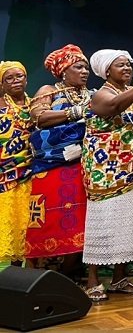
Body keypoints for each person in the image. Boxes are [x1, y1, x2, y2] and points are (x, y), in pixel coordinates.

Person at [81, 49, 133, 301]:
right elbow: (111, 108)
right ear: (107, 71)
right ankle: (93, 280)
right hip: (106, 173)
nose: (127, 68)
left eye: (129, 64)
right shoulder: (100, 94)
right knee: (103, 225)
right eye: (120, 65)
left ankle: (119, 277)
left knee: (128, 226)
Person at [26, 46, 90, 277]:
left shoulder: (91, 95)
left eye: (86, 68)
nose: (84, 72)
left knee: (76, 219)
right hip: (50, 167)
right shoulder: (49, 91)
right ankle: (37, 272)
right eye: (78, 67)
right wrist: (75, 113)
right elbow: (39, 118)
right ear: (63, 71)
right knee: (48, 218)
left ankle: (70, 270)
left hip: (81, 166)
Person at [0, 61, 34, 266]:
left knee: (28, 221)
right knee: (9, 218)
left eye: (19, 76)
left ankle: (22, 274)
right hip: (5, 171)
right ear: (2, 84)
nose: (15, 81)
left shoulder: (36, 105)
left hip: (32, 169)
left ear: (26, 79)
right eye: (9, 78)